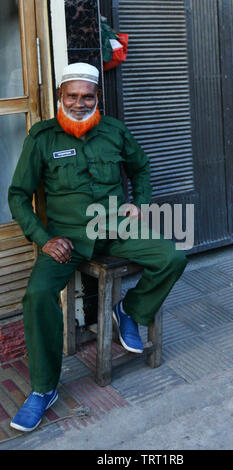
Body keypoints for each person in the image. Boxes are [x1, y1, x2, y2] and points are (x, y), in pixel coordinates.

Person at [8, 63, 188, 432]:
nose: (78, 102)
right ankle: (44, 390)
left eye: (86, 96)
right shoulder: (42, 138)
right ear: (61, 96)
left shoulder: (115, 131)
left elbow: (141, 167)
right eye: (71, 96)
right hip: (66, 238)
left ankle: (129, 310)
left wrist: (141, 202)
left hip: (115, 226)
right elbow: (18, 196)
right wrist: (43, 239)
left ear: (96, 97)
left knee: (172, 256)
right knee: (38, 295)